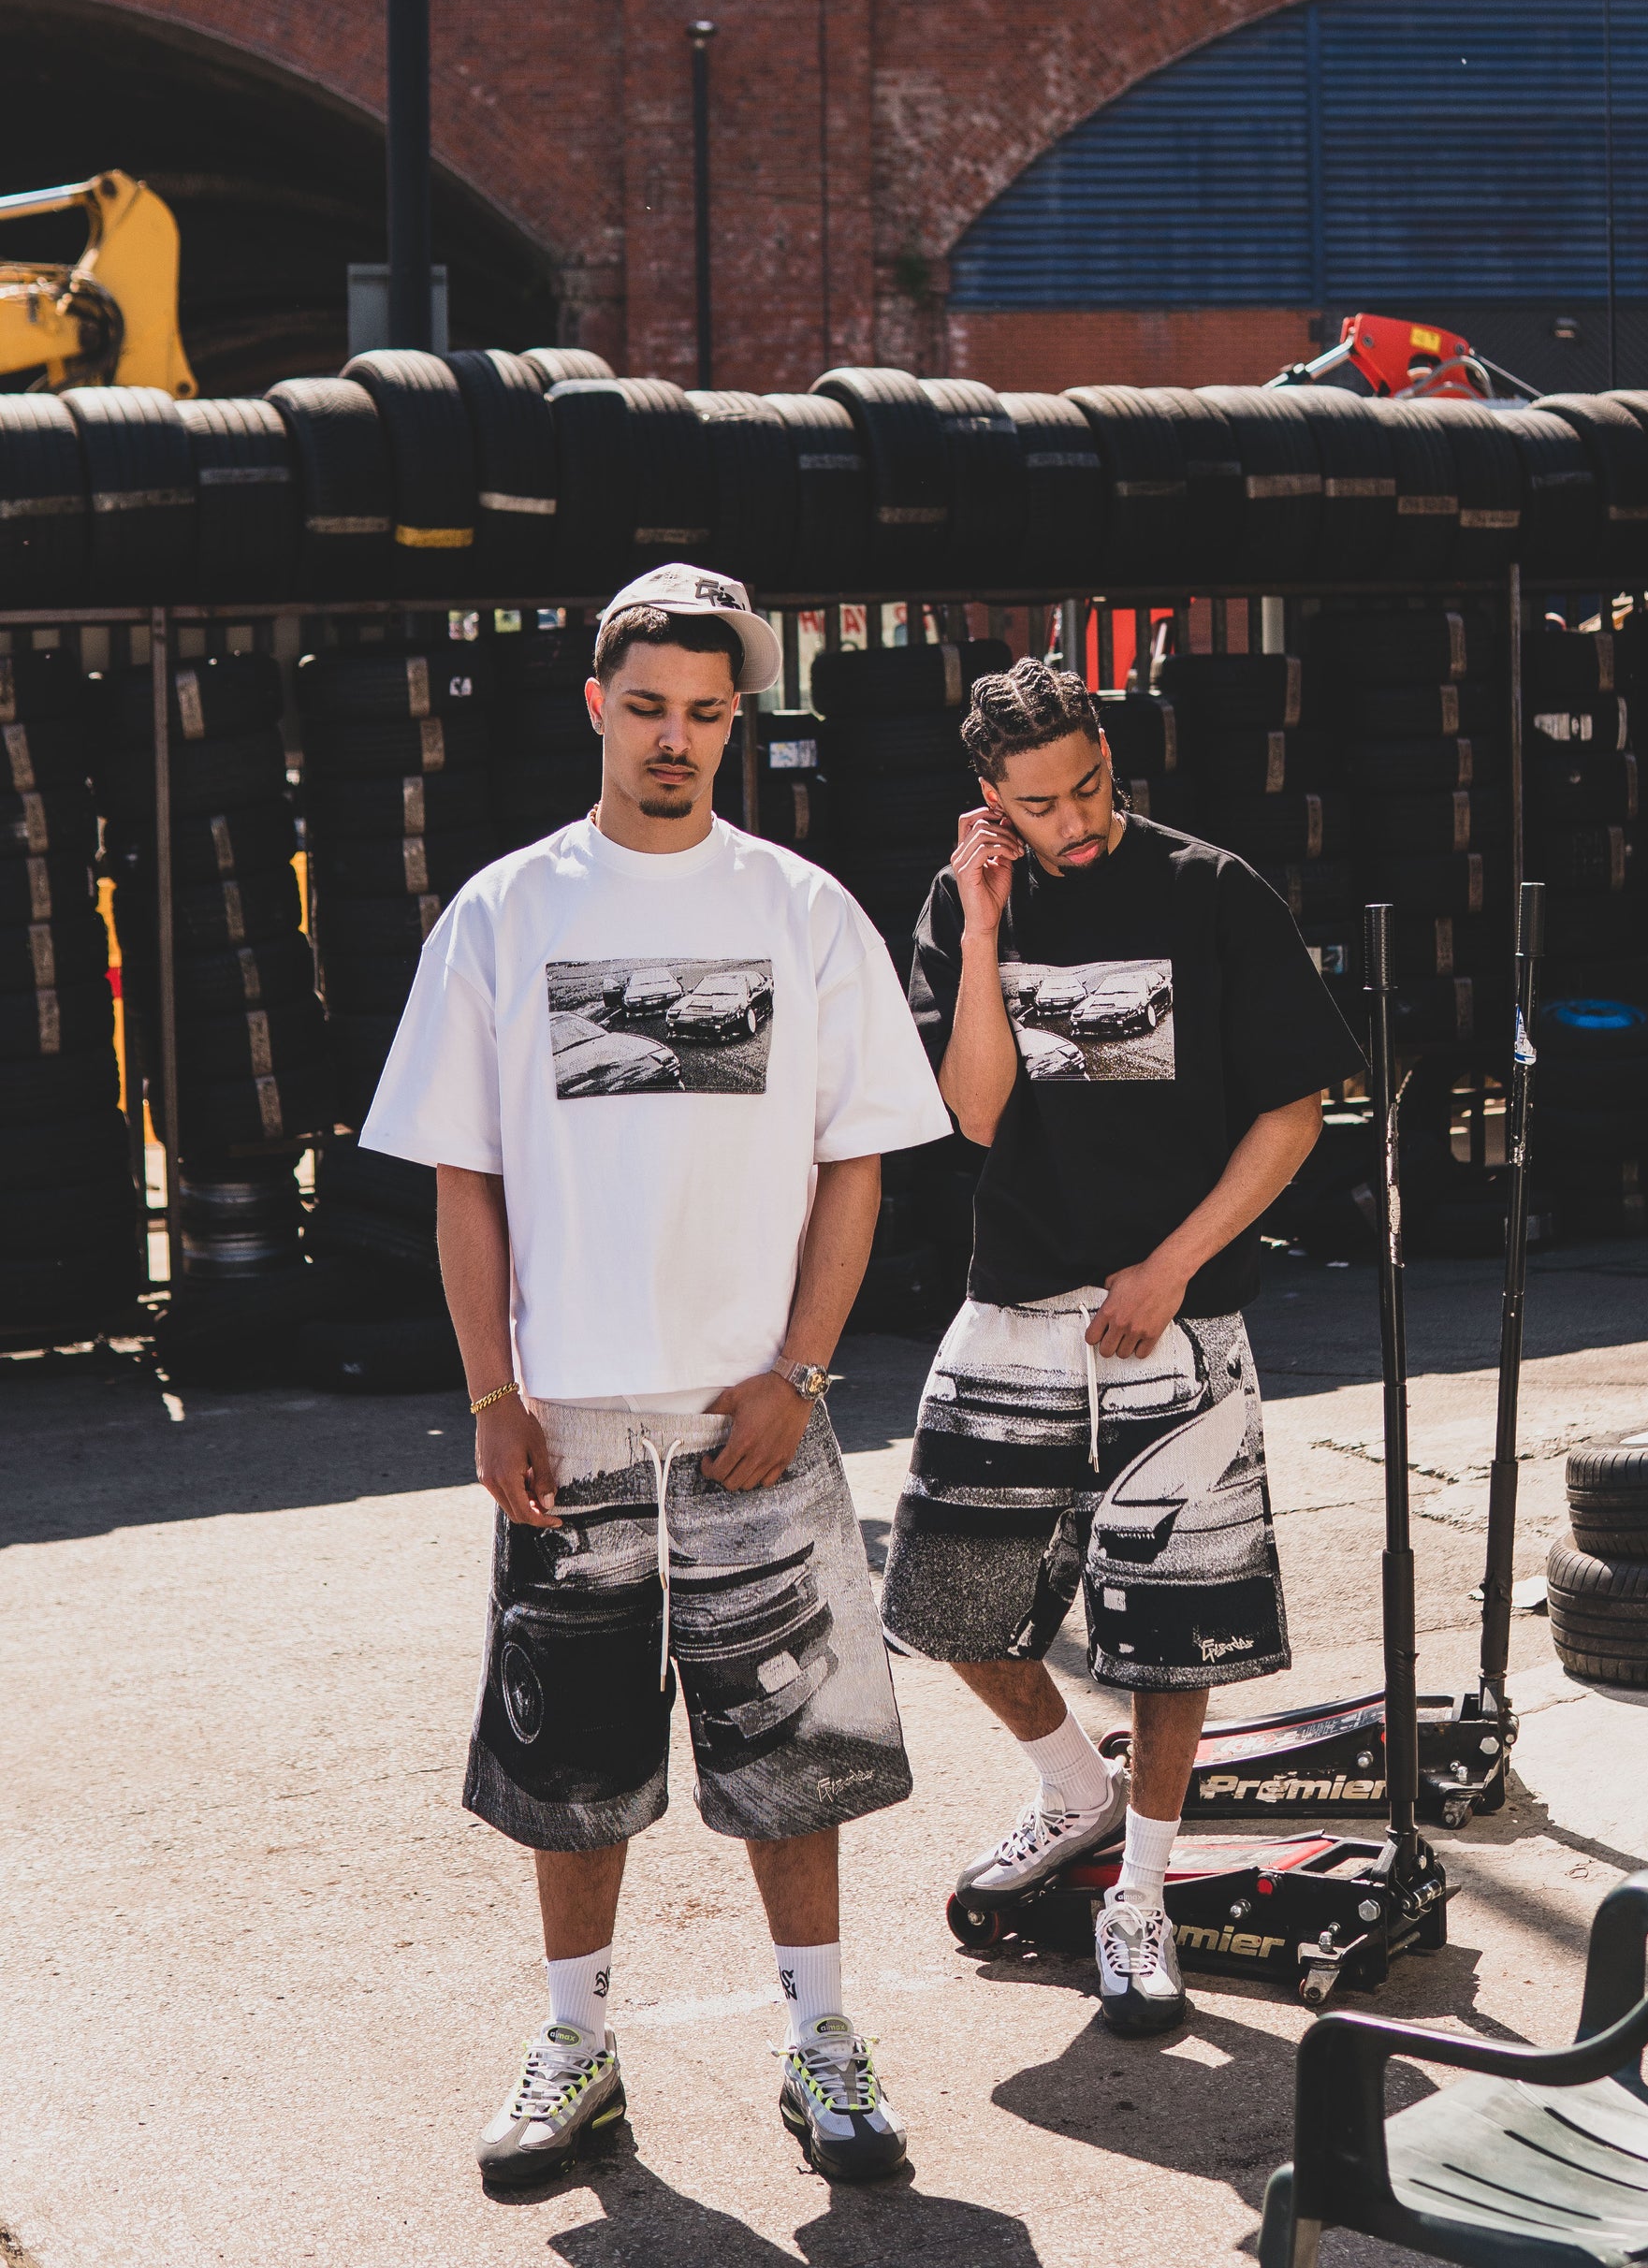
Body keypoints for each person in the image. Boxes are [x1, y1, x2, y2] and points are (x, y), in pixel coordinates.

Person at [361, 564, 951, 2190]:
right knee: (570, 1765)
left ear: (734, 722)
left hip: (757, 1409)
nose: (673, 739)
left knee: (794, 1753)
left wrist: (801, 1374)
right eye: (646, 709)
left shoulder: (802, 910)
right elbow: (463, 1181)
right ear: (595, 709)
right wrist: (494, 1398)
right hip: (571, 1418)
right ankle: (578, 2047)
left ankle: (822, 2039)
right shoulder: (505, 913)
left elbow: (854, 1168)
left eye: (703, 713)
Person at [881, 657, 1364, 2036]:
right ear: (991, 799)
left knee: (1171, 1638)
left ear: (1106, 753)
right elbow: (976, 1116)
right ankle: (1071, 1793)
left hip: (1181, 1318)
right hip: (1014, 1306)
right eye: (1039, 804)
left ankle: (1140, 1893)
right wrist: (982, 929)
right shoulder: (964, 902)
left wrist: (1173, 1265)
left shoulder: (1211, 889)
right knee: (947, 1602)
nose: (1076, 820)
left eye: (1089, 786)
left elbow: (1293, 1110)